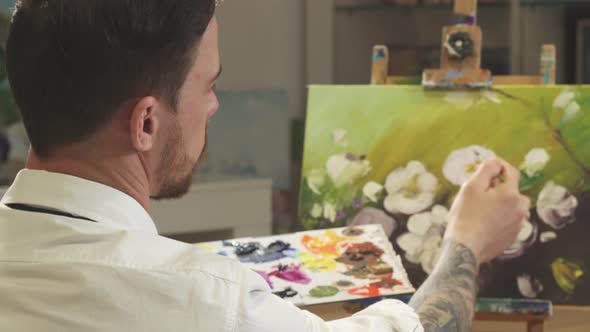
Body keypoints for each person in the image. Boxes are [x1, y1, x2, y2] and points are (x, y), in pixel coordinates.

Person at [0, 1, 530, 331]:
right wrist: (468, 245)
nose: (214, 106)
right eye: (208, 86)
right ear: (145, 124)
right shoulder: (200, 298)